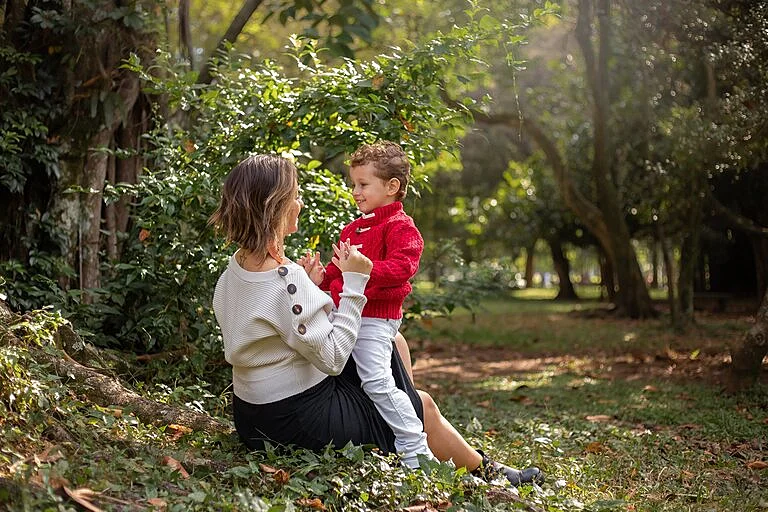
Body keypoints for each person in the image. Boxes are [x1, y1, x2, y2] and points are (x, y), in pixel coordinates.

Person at [209, 153, 544, 487]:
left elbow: (277, 327)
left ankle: (409, 415)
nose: (299, 201)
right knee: (421, 405)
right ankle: (481, 469)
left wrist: (313, 288)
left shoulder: (233, 271)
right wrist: (355, 282)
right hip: (295, 420)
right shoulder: (286, 279)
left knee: (395, 342)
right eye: (295, 194)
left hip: (251, 416)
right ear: (277, 206)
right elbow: (334, 359)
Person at [297, 141, 431, 469]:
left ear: (392, 187)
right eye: (353, 184)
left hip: (373, 319)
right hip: (345, 316)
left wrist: (365, 269)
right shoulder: (354, 228)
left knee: (377, 381)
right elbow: (337, 274)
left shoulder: (400, 226)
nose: (355, 191)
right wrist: (318, 279)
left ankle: (415, 449)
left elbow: (404, 267)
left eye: (363, 184)